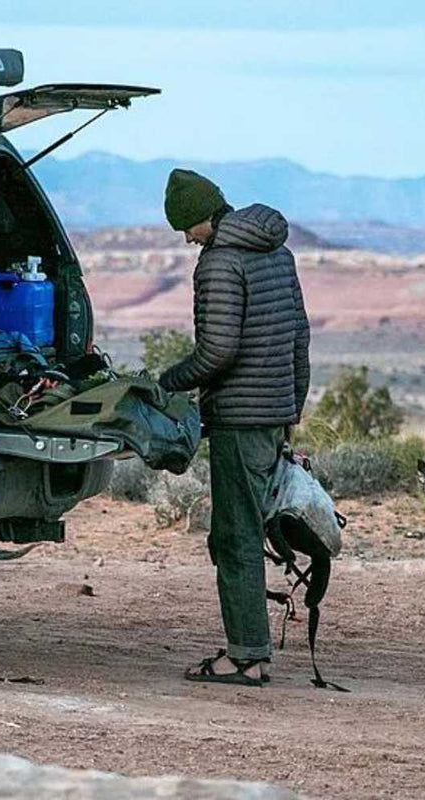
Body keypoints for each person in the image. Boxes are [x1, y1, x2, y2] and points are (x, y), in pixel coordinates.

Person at [157, 169, 310, 687]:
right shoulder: (278, 252)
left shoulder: (220, 261)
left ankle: (246, 657)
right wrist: (290, 409)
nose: (186, 238)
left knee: (235, 537)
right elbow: (300, 336)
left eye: (186, 227)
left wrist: (167, 383)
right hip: (272, 415)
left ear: (204, 215)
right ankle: (251, 650)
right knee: (244, 531)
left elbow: (217, 350)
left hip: (239, 420)